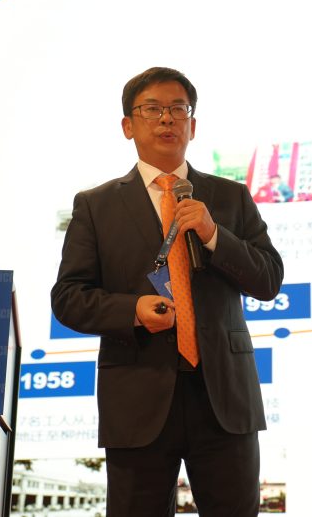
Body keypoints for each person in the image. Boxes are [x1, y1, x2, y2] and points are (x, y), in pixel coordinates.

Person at [52, 67, 284, 517]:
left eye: (179, 109)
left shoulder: (230, 197)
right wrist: (133, 310)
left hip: (224, 397)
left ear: (192, 126)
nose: (167, 119)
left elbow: (269, 279)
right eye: (152, 109)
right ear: (128, 125)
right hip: (137, 397)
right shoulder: (96, 205)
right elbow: (68, 297)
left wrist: (214, 234)